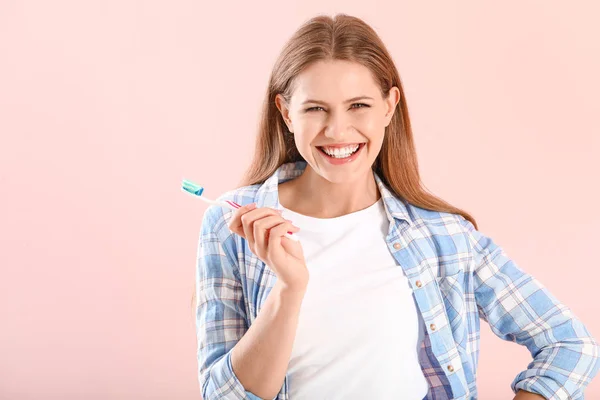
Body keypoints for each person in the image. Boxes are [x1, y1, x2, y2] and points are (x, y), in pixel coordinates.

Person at [194, 13, 599, 400]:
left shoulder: (444, 236)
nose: (337, 130)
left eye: (358, 106)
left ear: (389, 106)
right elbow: (222, 395)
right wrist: (289, 290)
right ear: (286, 112)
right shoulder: (231, 225)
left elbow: (570, 344)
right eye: (316, 108)